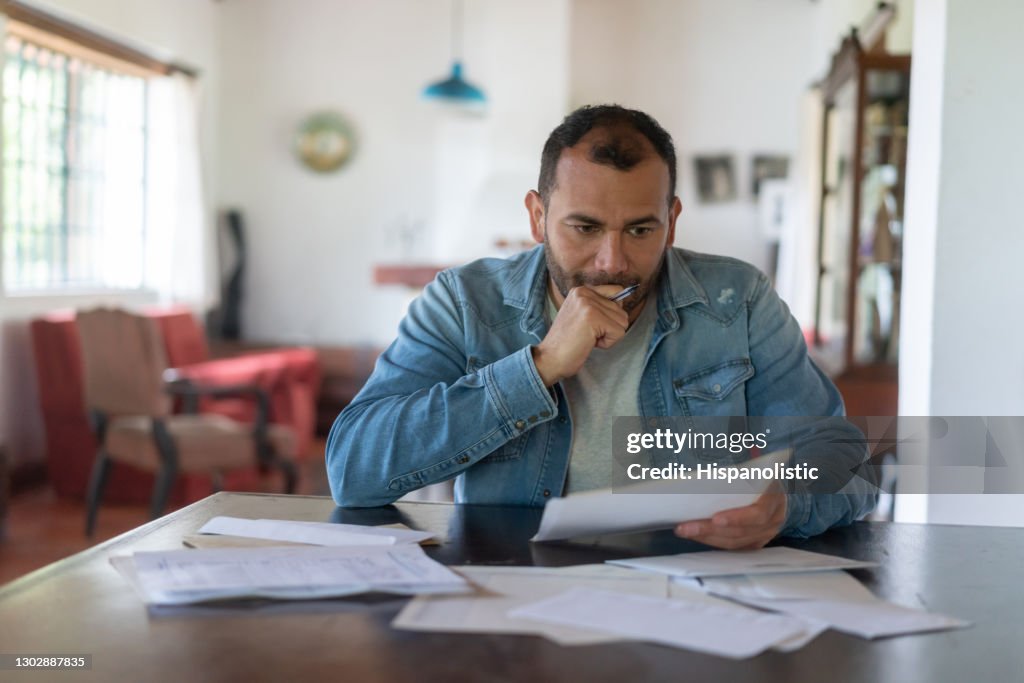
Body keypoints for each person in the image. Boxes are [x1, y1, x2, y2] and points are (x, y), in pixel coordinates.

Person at [327, 104, 876, 549]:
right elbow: (353, 470)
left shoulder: (739, 300)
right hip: (515, 590)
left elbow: (846, 464)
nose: (612, 261)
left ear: (673, 219)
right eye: (584, 227)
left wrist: (787, 506)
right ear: (537, 217)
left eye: (641, 230)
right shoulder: (464, 302)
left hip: (688, 591)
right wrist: (538, 369)